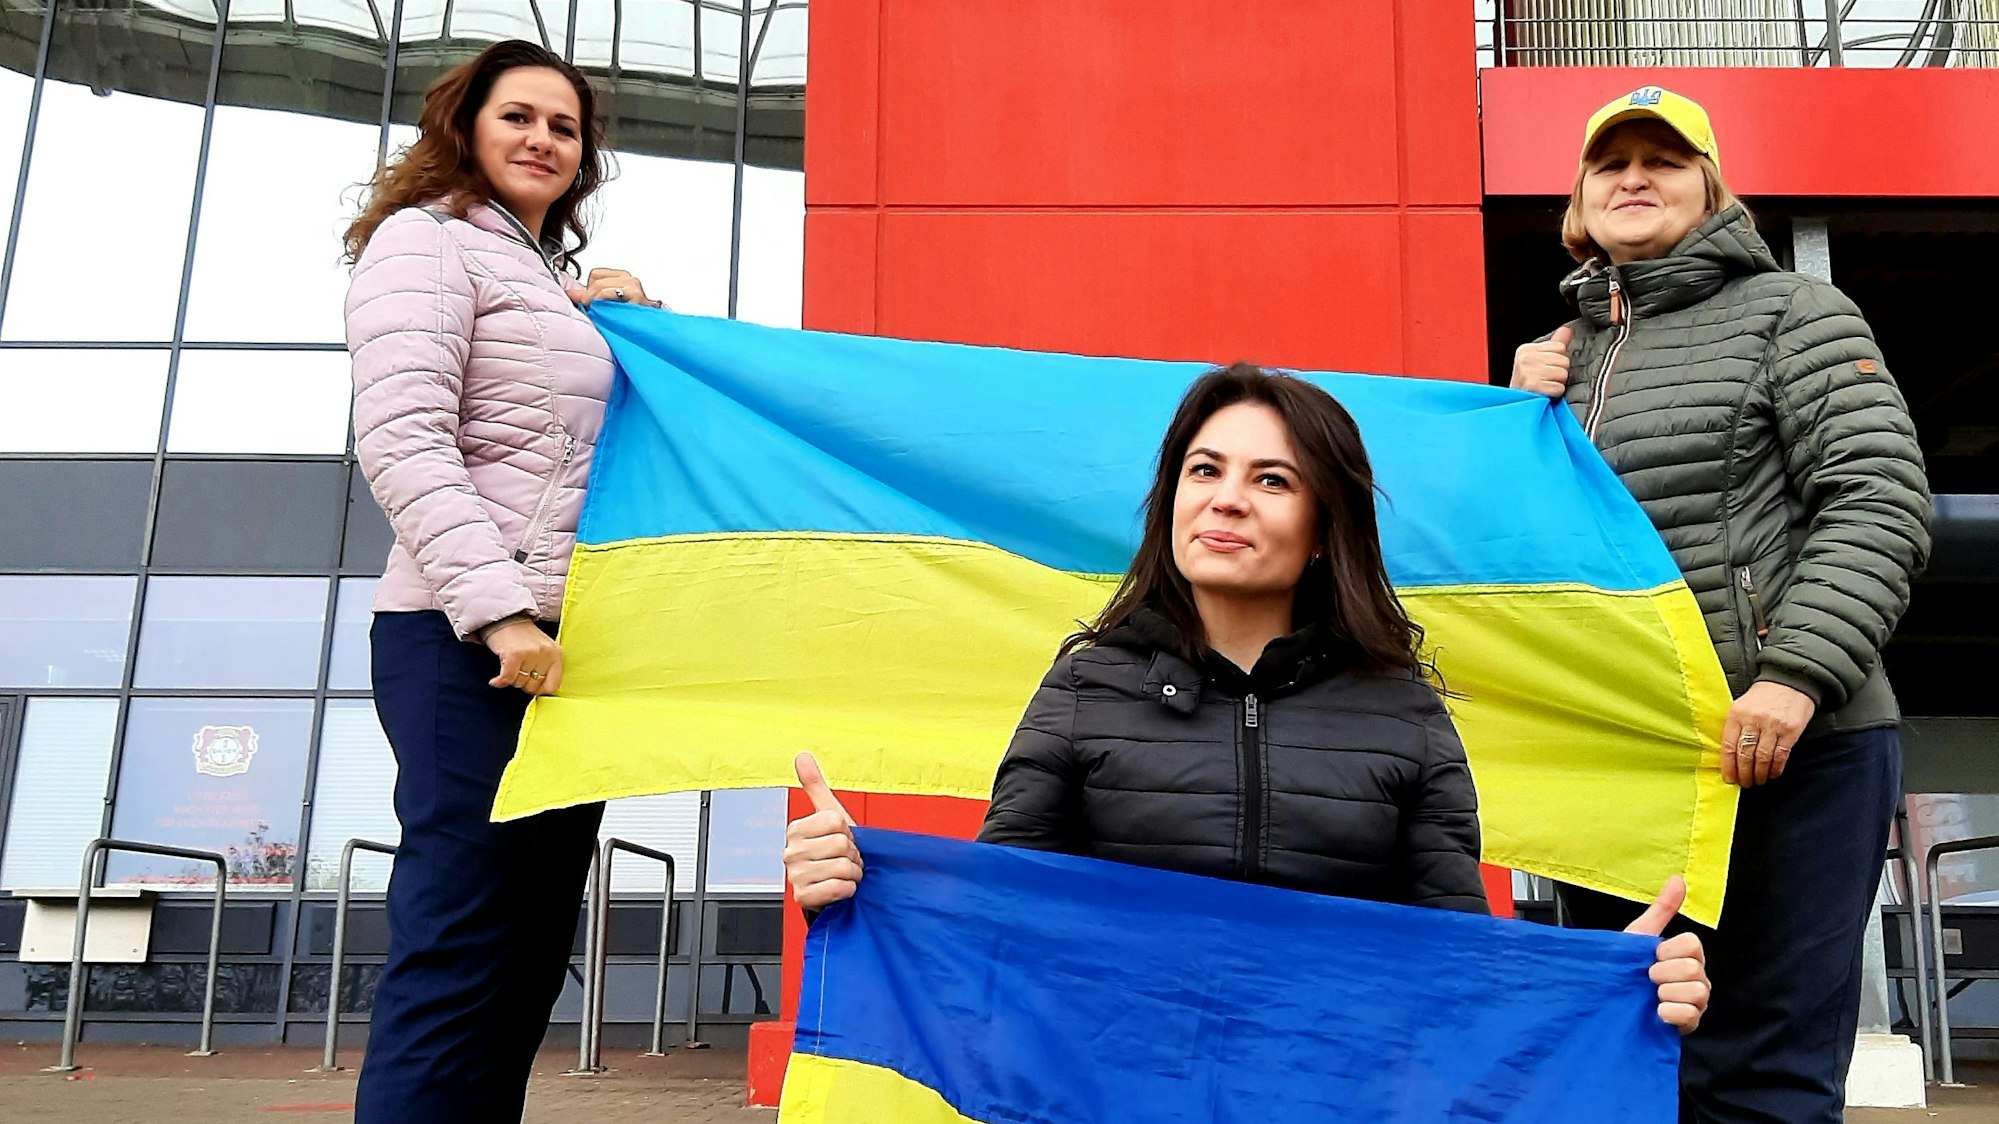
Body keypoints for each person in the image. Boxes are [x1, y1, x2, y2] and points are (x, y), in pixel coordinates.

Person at [785, 363, 1712, 1037]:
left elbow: (1449, 964)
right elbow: (1006, 918)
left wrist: (1599, 989)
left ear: (1321, 531)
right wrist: (855, 892)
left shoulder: (1403, 712)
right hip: (1110, 1085)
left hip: (1328, 1088)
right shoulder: (1083, 686)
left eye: (1270, 479)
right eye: (1205, 470)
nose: (1227, 500)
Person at [1509, 87, 1931, 1121]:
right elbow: (1526, 567)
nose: (1635, 177)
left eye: (1665, 159)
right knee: (1639, 1039)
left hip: (1796, 743)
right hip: (1633, 756)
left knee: (1767, 1062)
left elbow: (1879, 493)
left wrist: (1793, 675)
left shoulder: (1795, 313)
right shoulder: (1555, 361)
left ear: (1711, 190)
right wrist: (1514, 425)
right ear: (1578, 204)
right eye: (1611, 164)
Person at [341, 39, 658, 1121]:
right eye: (518, 116)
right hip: (464, 639)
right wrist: (502, 613)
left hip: (565, 651)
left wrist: (631, 328)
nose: (542, 139)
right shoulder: (424, 244)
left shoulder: (556, 288)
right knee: (460, 940)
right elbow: (403, 438)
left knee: (526, 955)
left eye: (564, 127)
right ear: (466, 126)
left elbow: (602, 460)